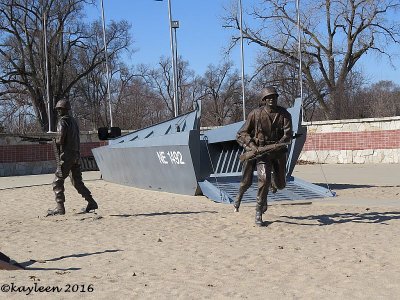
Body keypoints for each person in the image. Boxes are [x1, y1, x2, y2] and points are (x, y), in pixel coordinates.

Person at [235, 86, 292, 226]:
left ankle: (274, 181)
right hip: (262, 153)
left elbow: (288, 135)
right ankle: (258, 212)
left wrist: (278, 144)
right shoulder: (255, 114)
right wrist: (253, 147)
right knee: (263, 180)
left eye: (274, 97)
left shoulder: (285, 114)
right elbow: (242, 133)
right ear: (264, 100)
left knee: (281, 185)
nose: (272, 99)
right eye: (269, 98)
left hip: (278, 153)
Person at [47, 99, 98, 216]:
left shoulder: (62, 122)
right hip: (75, 155)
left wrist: (53, 140)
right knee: (77, 182)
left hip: (67, 156)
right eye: (58, 109)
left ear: (65, 109)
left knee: (57, 182)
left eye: (60, 109)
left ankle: (60, 208)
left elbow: (61, 140)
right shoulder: (74, 122)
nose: (58, 111)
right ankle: (91, 202)